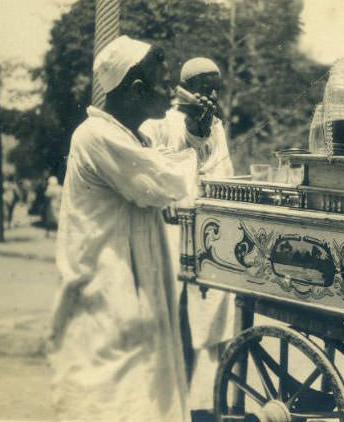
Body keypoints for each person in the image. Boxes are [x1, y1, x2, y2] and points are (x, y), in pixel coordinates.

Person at [47, 36, 215, 421]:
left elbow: (161, 160)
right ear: (137, 90)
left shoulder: (129, 135)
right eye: (165, 83)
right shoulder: (95, 136)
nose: (174, 92)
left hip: (129, 283)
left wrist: (195, 134)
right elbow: (162, 182)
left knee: (136, 391)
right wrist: (193, 146)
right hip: (104, 285)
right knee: (112, 394)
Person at [139, 57, 235, 420]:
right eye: (203, 86)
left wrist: (204, 133)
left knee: (212, 315)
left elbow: (222, 172)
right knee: (173, 315)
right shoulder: (157, 122)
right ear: (185, 87)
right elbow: (154, 172)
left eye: (215, 87)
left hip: (207, 230)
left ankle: (208, 400)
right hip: (170, 230)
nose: (210, 94)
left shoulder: (217, 125)